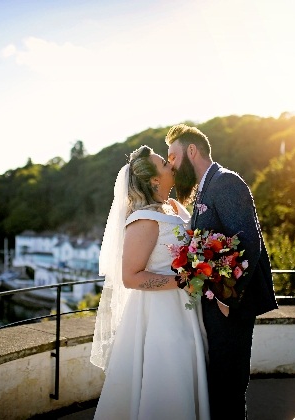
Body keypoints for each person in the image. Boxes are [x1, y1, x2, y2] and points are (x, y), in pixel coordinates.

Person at [165, 124, 278, 419]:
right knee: (219, 383)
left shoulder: (226, 182)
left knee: (229, 386)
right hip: (216, 304)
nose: (172, 166)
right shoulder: (204, 189)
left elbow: (248, 243)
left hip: (231, 306)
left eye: (173, 157)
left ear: (192, 151)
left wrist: (227, 299)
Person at [90, 145, 211, 420]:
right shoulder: (143, 220)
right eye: (165, 164)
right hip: (160, 315)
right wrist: (183, 281)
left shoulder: (174, 208)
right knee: (169, 378)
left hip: (188, 309)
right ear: (155, 180)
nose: (172, 166)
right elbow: (130, 276)